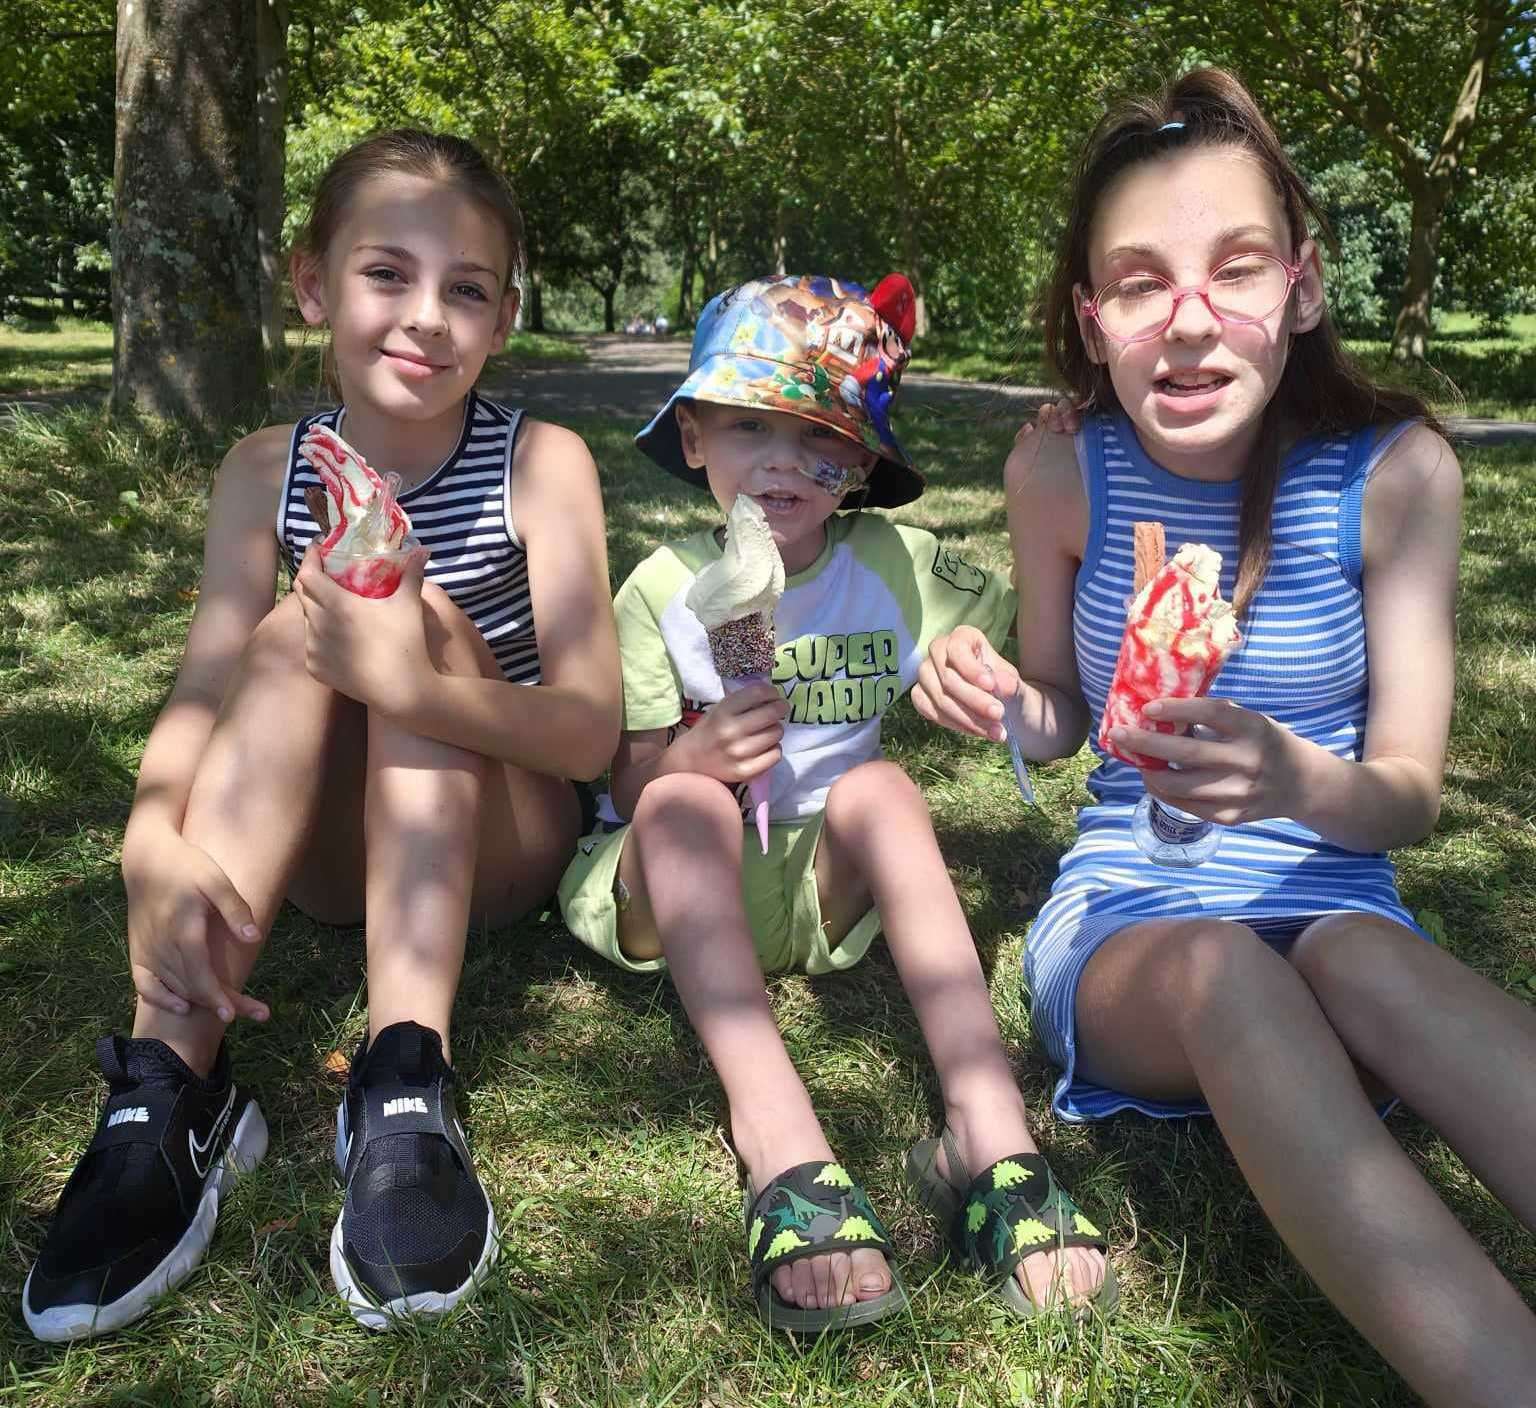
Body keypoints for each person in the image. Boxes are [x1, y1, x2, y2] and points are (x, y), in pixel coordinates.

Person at [914, 69, 1536, 1406]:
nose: (1188, 323)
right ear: (1092, 320)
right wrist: (998, 702)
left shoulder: (1400, 476)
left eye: (1234, 268)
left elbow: (1411, 795)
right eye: (1138, 283)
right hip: (1135, 925)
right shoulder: (1056, 467)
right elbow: (1062, 707)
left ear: (1303, 288)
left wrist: (1299, 778)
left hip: (1337, 895)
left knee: (1370, 968)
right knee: (1226, 975)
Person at [23, 129, 621, 1340]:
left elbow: (588, 731)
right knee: (308, 621)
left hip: (495, 840)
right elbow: (203, 690)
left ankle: (406, 1075)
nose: (426, 318)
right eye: (386, 274)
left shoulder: (542, 463)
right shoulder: (263, 469)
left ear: (504, 317)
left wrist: (407, 674)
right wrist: (150, 837)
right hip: (317, 857)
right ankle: (170, 1091)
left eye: (466, 290)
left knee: (392, 596)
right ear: (312, 285)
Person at [558, 273, 1113, 1334]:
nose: (779, 460)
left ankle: (989, 1128)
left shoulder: (898, 569)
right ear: (692, 439)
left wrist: (979, 673)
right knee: (681, 804)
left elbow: (1041, 697)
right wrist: (693, 750)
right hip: (677, 890)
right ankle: (777, 1134)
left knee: (887, 785)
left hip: (823, 880)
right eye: (749, 424)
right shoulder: (663, 587)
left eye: (816, 432)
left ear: (856, 461)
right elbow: (623, 782)